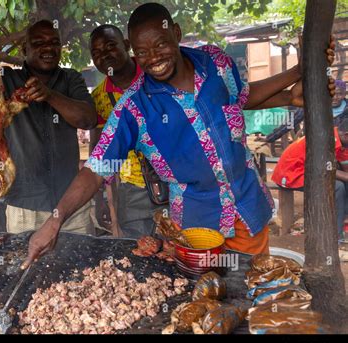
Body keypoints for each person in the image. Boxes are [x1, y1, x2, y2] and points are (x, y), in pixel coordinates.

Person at [21, 2, 335, 268]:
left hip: (246, 208)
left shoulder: (215, 63)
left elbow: (238, 97)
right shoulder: (134, 108)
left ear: (177, 33)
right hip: (199, 227)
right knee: (210, 297)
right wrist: (56, 218)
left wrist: (294, 83)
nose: (153, 58)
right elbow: (98, 168)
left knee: (255, 290)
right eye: (143, 52)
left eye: (160, 44)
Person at [0, 5, 97, 234]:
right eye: (39, 43)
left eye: (53, 42)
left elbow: (87, 119)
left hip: (72, 204)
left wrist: (50, 95)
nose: (48, 48)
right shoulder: (6, 80)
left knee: (80, 267)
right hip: (25, 208)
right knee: (28, 268)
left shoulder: (71, 79)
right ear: (24, 48)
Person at [89, 24, 167, 238]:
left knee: (177, 252)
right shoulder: (98, 97)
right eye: (96, 53)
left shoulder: (157, 76)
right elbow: (98, 154)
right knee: (138, 253)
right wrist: (102, 202)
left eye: (110, 46)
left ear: (126, 45)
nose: (104, 56)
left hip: (175, 184)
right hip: (130, 191)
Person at [272, 124, 348, 243]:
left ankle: (343, 221)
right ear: (346, 135)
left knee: (343, 183)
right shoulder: (325, 139)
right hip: (290, 174)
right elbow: (325, 168)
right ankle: (336, 235)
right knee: (338, 187)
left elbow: (344, 166)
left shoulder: (340, 139)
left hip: (308, 170)